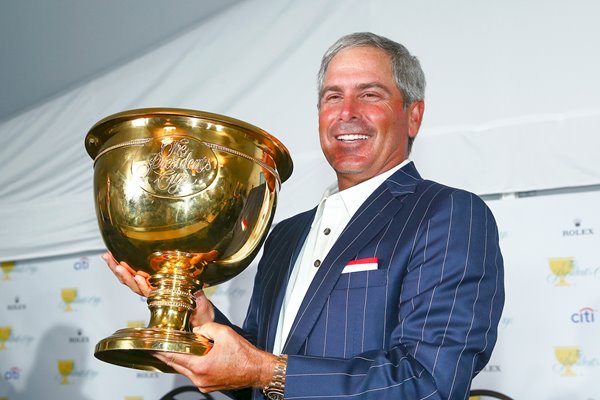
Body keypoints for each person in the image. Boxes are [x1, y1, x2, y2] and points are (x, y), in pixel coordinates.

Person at [105, 32, 504, 400]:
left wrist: (264, 370)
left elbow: (429, 383)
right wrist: (197, 313)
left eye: (370, 95)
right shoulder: (285, 235)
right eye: (333, 97)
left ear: (413, 115)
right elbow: (262, 382)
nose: (347, 112)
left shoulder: (448, 214)